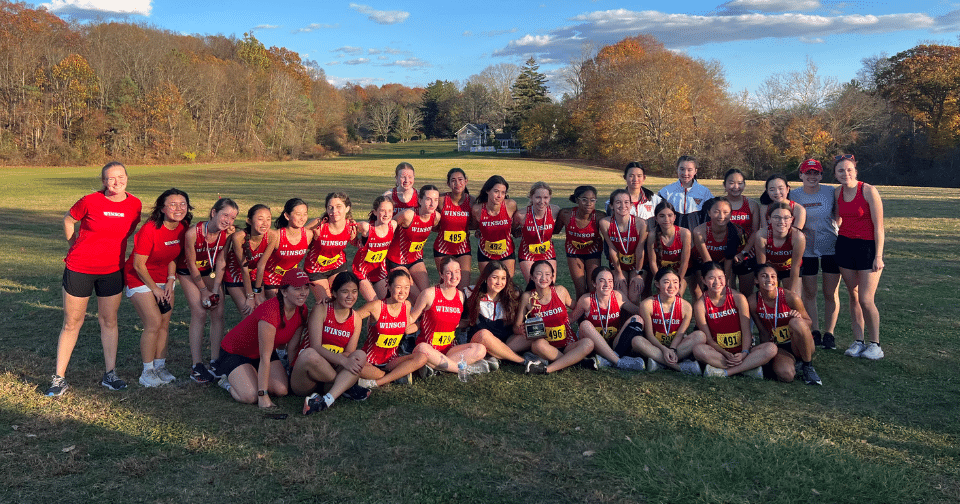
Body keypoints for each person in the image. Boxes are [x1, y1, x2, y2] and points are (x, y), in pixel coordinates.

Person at [45, 162, 142, 396]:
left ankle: (110, 374)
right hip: (80, 268)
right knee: (72, 323)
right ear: (103, 181)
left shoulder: (135, 204)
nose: (116, 182)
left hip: (111, 271)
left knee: (109, 321)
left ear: (127, 178)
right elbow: (69, 219)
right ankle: (59, 378)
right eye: (110, 178)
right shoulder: (89, 200)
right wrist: (73, 244)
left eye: (121, 177)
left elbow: (127, 230)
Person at [217, 268, 310, 407]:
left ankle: (251, 373)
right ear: (284, 292)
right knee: (250, 396)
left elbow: (292, 348)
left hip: (259, 355)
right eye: (297, 289)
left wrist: (293, 375)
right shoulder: (270, 311)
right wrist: (263, 395)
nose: (303, 293)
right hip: (235, 352)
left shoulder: (302, 310)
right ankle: (226, 382)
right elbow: (265, 357)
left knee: (282, 390)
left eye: (306, 288)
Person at [126, 189, 190, 387]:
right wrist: (155, 289)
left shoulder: (183, 227)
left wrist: (171, 281)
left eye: (182, 204)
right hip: (139, 277)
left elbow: (173, 256)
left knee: (164, 323)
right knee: (153, 322)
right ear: (162, 208)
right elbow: (138, 265)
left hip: (164, 278)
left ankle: (160, 366)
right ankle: (147, 371)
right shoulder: (150, 229)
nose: (178, 209)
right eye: (172, 204)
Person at [290, 272, 369, 414]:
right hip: (307, 375)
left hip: (329, 375)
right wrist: (342, 362)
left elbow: (349, 353)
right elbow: (315, 346)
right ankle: (346, 386)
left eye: (354, 292)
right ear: (334, 292)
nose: (350, 296)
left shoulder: (356, 318)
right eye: (345, 291)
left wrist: (342, 361)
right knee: (310, 354)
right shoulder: (322, 309)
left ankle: (326, 400)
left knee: (360, 355)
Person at [179, 197, 238, 383]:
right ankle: (197, 365)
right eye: (225, 215)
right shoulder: (192, 233)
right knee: (199, 312)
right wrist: (204, 291)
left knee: (218, 311)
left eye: (233, 217)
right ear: (214, 213)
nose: (228, 220)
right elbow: (190, 263)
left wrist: (215, 289)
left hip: (211, 271)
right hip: (189, 272)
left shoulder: (227, 234)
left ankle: (215, 360)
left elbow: (221, 261)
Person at [834, 154, 886, 360]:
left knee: (866, 298)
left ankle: (875, 344)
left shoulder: (868, 191)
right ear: (835, 174)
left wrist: (879, 255)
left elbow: (879, 227)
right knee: (853, 295)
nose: (845, 174)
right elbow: (837, 218)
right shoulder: (837, 192)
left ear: (855, 171)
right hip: (845, 245)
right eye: (840, 170)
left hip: (868, 247)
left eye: (849, 170)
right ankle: (858, 341)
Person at [692, 262, 776, 378]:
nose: (717, 282)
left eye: (720, 277)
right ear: (704, 280)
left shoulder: (738, 298)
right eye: (711, 278)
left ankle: (726, 371)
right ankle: (747, 368)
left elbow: (746, 331)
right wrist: (725, 353)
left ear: (725, 278)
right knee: (698, 350)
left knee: (771, 348)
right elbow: (709, 340)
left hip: (742, 351)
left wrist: (744, 353)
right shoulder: (700, 305)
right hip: (719, 353)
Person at [791, 159, 840, 349]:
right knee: (810, 292)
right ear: (801, 175)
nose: (812, 176)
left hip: (831, 247)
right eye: (807, 173)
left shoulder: (830, 192)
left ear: (821, 175)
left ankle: (830, 333)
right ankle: (815, 331)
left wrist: (835, 227)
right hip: (807, 249)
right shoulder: (794, 194)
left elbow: (838, 213)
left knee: (830, 292)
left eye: (816, 173)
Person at [410, 258, 488, 375]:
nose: (454, 276)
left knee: (480, 349)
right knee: (422, 349)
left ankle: (436, 366)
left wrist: (469, 322)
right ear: (441, 275)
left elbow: (455, 323)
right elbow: (412, 317)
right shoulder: (429, 294)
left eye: (457, 271)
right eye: (448, 273)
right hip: (428, 349)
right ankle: (463, 369)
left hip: (450, 350)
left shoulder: (461, 296)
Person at [749, 263, 822, 385]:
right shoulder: (752, 301)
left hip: (798, 342)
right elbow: (762, 331)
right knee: (786, 375)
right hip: (779, 346)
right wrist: (767, 355)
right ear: (756, 280)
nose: (769, 280)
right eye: (764, 276)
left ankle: (808, 366)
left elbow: (809, 322)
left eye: (773, 276)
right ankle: (794, 364)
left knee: (796, 322)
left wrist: (799, 318)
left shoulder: (791, 297)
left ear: (777, 280)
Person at [466, 261, 545, 372]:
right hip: (481, 342)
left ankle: (497, 356)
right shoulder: (470, 293)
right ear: (485, 277)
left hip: (507, 341)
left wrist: (522, 330)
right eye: (495, 277)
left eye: (503, 278)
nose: (499, 282)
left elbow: (516, 327)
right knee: (484, 334)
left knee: (534, 333)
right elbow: (461, 320)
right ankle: (523, 361)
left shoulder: (513, 296)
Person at [517, 260, 594, 374]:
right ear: (532, 277)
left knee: (588, 343)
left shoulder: (560, 291)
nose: (544, 277)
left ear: (553, 277)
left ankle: (547, 368)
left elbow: (578, 306)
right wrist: (521, 329)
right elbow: (517, 326)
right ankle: (574, 361)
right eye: (539, 274)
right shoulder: (527, 297)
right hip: (545, 346)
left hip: (567, 344)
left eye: (548, 274)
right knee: (537, 345)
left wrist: (587, 306)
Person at [356, 269, 429, 388]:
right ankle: (396, 375)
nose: (403, 292)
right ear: (389, 287)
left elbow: (406, 329)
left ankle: (378, 381)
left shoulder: (406, 306)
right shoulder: (377, 306)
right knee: (352, 364)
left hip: (391, 360)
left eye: (406, 287)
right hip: (369, 362)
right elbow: (352, 319)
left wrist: (424, 323)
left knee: (422, 357)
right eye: (399, 287)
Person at [629, 267, 705, 374]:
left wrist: (672, 349)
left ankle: (659, 363)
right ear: (657, 284)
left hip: (677, 347)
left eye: (675, 282)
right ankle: (679, 366)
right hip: (655, 346)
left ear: (679, 285)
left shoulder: (686, 306)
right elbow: (649, 335)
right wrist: (664, 349)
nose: (671, 286)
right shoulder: (647, 304)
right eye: (666, 282)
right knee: (636, 341)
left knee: (700, 335)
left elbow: (680, 334)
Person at [568, 267, 644, 370]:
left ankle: (608, 360)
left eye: (610, 281)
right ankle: (619, 361)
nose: (607, 284)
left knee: (637, 319)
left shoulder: (618, 296)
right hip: (593, 345)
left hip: (614, 344)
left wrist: (652, 306)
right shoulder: (586, 300)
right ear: (594, 283)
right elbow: (570, 319)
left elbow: (637, 311)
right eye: (602, 281)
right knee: (584, 325)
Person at [387, 184, 441, 300]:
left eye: (436, 200)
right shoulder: (408, 215)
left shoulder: (436, 217)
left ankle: (417, 317)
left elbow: (436, 228)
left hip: (416, 259)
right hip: (397, 260)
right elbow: (388, 228)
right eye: (428, 199)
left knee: (427, 294)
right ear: (420, 200)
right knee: (417, 297)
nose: (432, 204)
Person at [256, 198, 314, 300]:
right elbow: (261, 264)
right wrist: (258, 290)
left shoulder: (308, 235)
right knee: (279, 309)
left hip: (291, 280)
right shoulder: (277, 236)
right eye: (298, 214)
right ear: (287, 216)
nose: (302, 218)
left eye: (305, 214)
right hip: (271, 280)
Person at [303, 192, 356, 303]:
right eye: (330, 207)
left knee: (341, 300)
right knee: (326, 302)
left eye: (338, 207)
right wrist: (312, 237)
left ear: (347, 208)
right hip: (316, 268)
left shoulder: (351, 226)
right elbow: (298, 238)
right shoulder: (319, 224)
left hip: (337, 266)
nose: (334, 211)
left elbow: (360, 241)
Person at [555, 185, 605, 300]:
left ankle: (593, 314)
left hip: (593, 252)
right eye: (584, 199)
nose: (589, 203)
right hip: (574, 252)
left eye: (592, 200)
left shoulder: (599, 216)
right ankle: (581, 316)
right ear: (577, 200)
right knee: (581, 289)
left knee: (594, 287)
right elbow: (554, 231)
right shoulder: (566, 214)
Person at [222, 204, 271, 317]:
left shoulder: (272, 236)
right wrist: (250, 296)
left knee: (261, 310)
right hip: (236, 273)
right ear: (249, 221)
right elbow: (243, 268)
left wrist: (257, 293)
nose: (265, 223)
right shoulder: (239, 237)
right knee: (249, 312)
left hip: (255, 273)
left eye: (268, 219)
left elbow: (261, 265)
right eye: (260, 219)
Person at [692, 197, 746, 299]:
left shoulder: (736, 231)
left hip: (723, 262)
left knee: (727, 287)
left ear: (731, 214)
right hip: (702, 263)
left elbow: (729, 259)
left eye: (726, 212)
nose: (721, 216)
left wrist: (724, 281)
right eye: (716, 212)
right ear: (709, 213)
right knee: (706, 290)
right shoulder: (699, 231)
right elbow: (707, 261)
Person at [599, 189, 646, 304]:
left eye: (626, 202)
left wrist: (637, 273)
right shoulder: (605, 223)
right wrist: (618, 273)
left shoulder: (641, 223)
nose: (623, 206)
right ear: (611, 205)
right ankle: (622, 322)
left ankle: (636, 321)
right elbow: (612, 249)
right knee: (621, 296)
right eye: (618, 202)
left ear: (631, 205)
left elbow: (640, 250)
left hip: (637, 266)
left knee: (634, 297)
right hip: (619, 265)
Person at [433, 168, 473, 289]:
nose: (457, 183)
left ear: (466, 181)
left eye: (460, 180)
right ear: (448, 184)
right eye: (453, 180)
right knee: (446, 285)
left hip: (463, 249)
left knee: (463, 287)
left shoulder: (471, 200)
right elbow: (432, 221)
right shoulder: (441, 200)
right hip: (442, 248)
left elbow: (476, 224)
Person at [514, 181, 561, 285]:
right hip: (528, 253)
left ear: (550, 198)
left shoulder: (555, 210)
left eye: (545, 198)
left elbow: (559, 227)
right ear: (531, 197)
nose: (542, 201)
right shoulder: (521, 215)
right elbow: (511, 229)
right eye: (538, 197)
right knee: (534, 285)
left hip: (548, 252)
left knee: (550, 285)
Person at [723, 168, 760, 296]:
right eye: (731, 183)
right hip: (724, 254)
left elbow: (755, 231)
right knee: (728, 292)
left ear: (744, 184)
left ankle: (747, 316)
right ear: (725, 185)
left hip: (747, 255)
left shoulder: (752, 205)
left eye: (740, 183)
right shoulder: (719, 204)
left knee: (747, 295)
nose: (736, 187)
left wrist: (743, 253)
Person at [352, 196, 397, 302]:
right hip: (362, 271)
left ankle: (372, 319)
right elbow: (349, 230)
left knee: (386, 303)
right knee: (375, 303)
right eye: (382, 211)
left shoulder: (393, 226)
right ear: (375, 212)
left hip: (379, 271)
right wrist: (356, 242)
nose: (386, 214)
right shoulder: (366, 228)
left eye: (390, 211)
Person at [472, 175, 518, 279]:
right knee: (488, 282)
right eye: (496, 191)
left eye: (503, 192)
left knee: (507, 283)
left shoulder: (510, 205)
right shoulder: (477, 209)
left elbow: (515, 225)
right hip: (485, 252)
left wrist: (516, 231)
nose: (499, 196)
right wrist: (479, 230)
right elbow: (475, 226)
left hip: (506, 251)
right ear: (487, 190)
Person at [755, 202, 805, 294]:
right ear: (769, 219)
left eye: (786, 218)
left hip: (790, 269)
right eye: (776, 217)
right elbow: (762, 267)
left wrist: (791, 294)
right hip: (770, 269)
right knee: (769, 296)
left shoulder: (798, 237)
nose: (781, 222)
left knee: (793, 299)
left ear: (792, 220)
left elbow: (795, 267)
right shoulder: (761, 235)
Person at [647, 201, 692, 297]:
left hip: (681, 272)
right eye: (662, 216)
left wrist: (677, 281)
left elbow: (685, 262)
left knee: (677, 294)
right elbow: (653, 262)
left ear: (675, 217)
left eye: (670, 215)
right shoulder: (652, 235)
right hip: (662, 273)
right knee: (663, 295)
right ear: (656, 218)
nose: (666, 219)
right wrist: (660, 280)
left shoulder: (684, 233)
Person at [657, 155, 713, 231]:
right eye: (682, 169)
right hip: (673, 235)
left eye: (689, 170)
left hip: (696, 235)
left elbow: (710, 215)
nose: (685, 173)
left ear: (695, 171)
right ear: (677, 169)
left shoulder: (704, 192)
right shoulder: (666, 191)